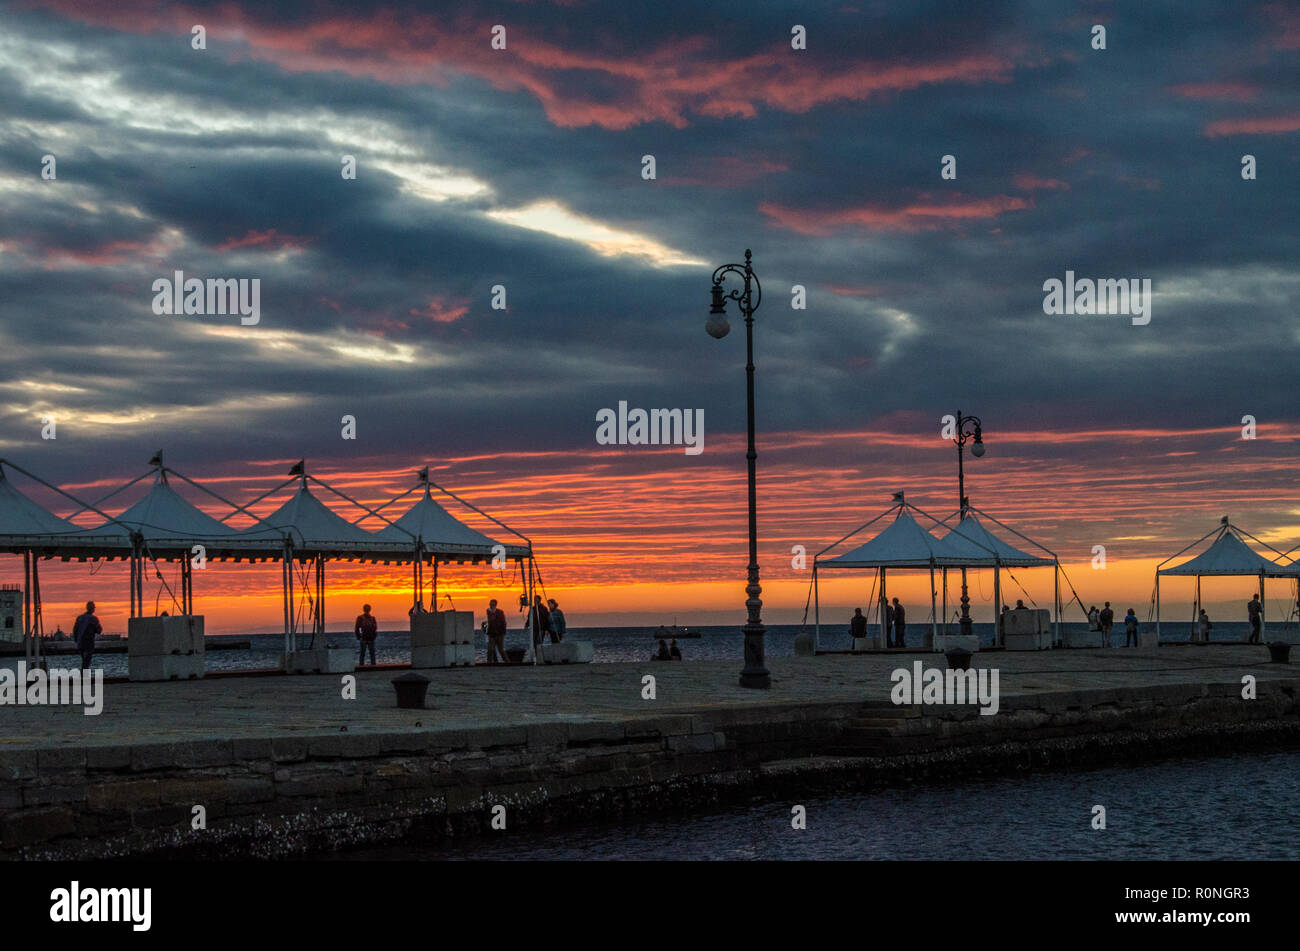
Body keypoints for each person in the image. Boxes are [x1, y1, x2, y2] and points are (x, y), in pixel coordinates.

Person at [73, 601, 101, 671]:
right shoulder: (93, 619)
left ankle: (83, 678)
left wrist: (76, 640)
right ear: (92, 609)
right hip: (89, 643)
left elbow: (75, 630)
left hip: (80, 643)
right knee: (86, 662)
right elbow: (99, 630)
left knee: (84, 661)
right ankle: (84, 678)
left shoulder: (79, 618)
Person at [485, 598, 509, 664]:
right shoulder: (489, 612)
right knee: (490, 649)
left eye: (492, 604)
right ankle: (489, 662)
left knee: (500, 649)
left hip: (500, 633)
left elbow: (503, 622)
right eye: (490, 604)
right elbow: (490, 622)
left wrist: (503, 631)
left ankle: (507, 662)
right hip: (492, 633)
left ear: (495, 605)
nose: (491, 605)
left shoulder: (499, 612)